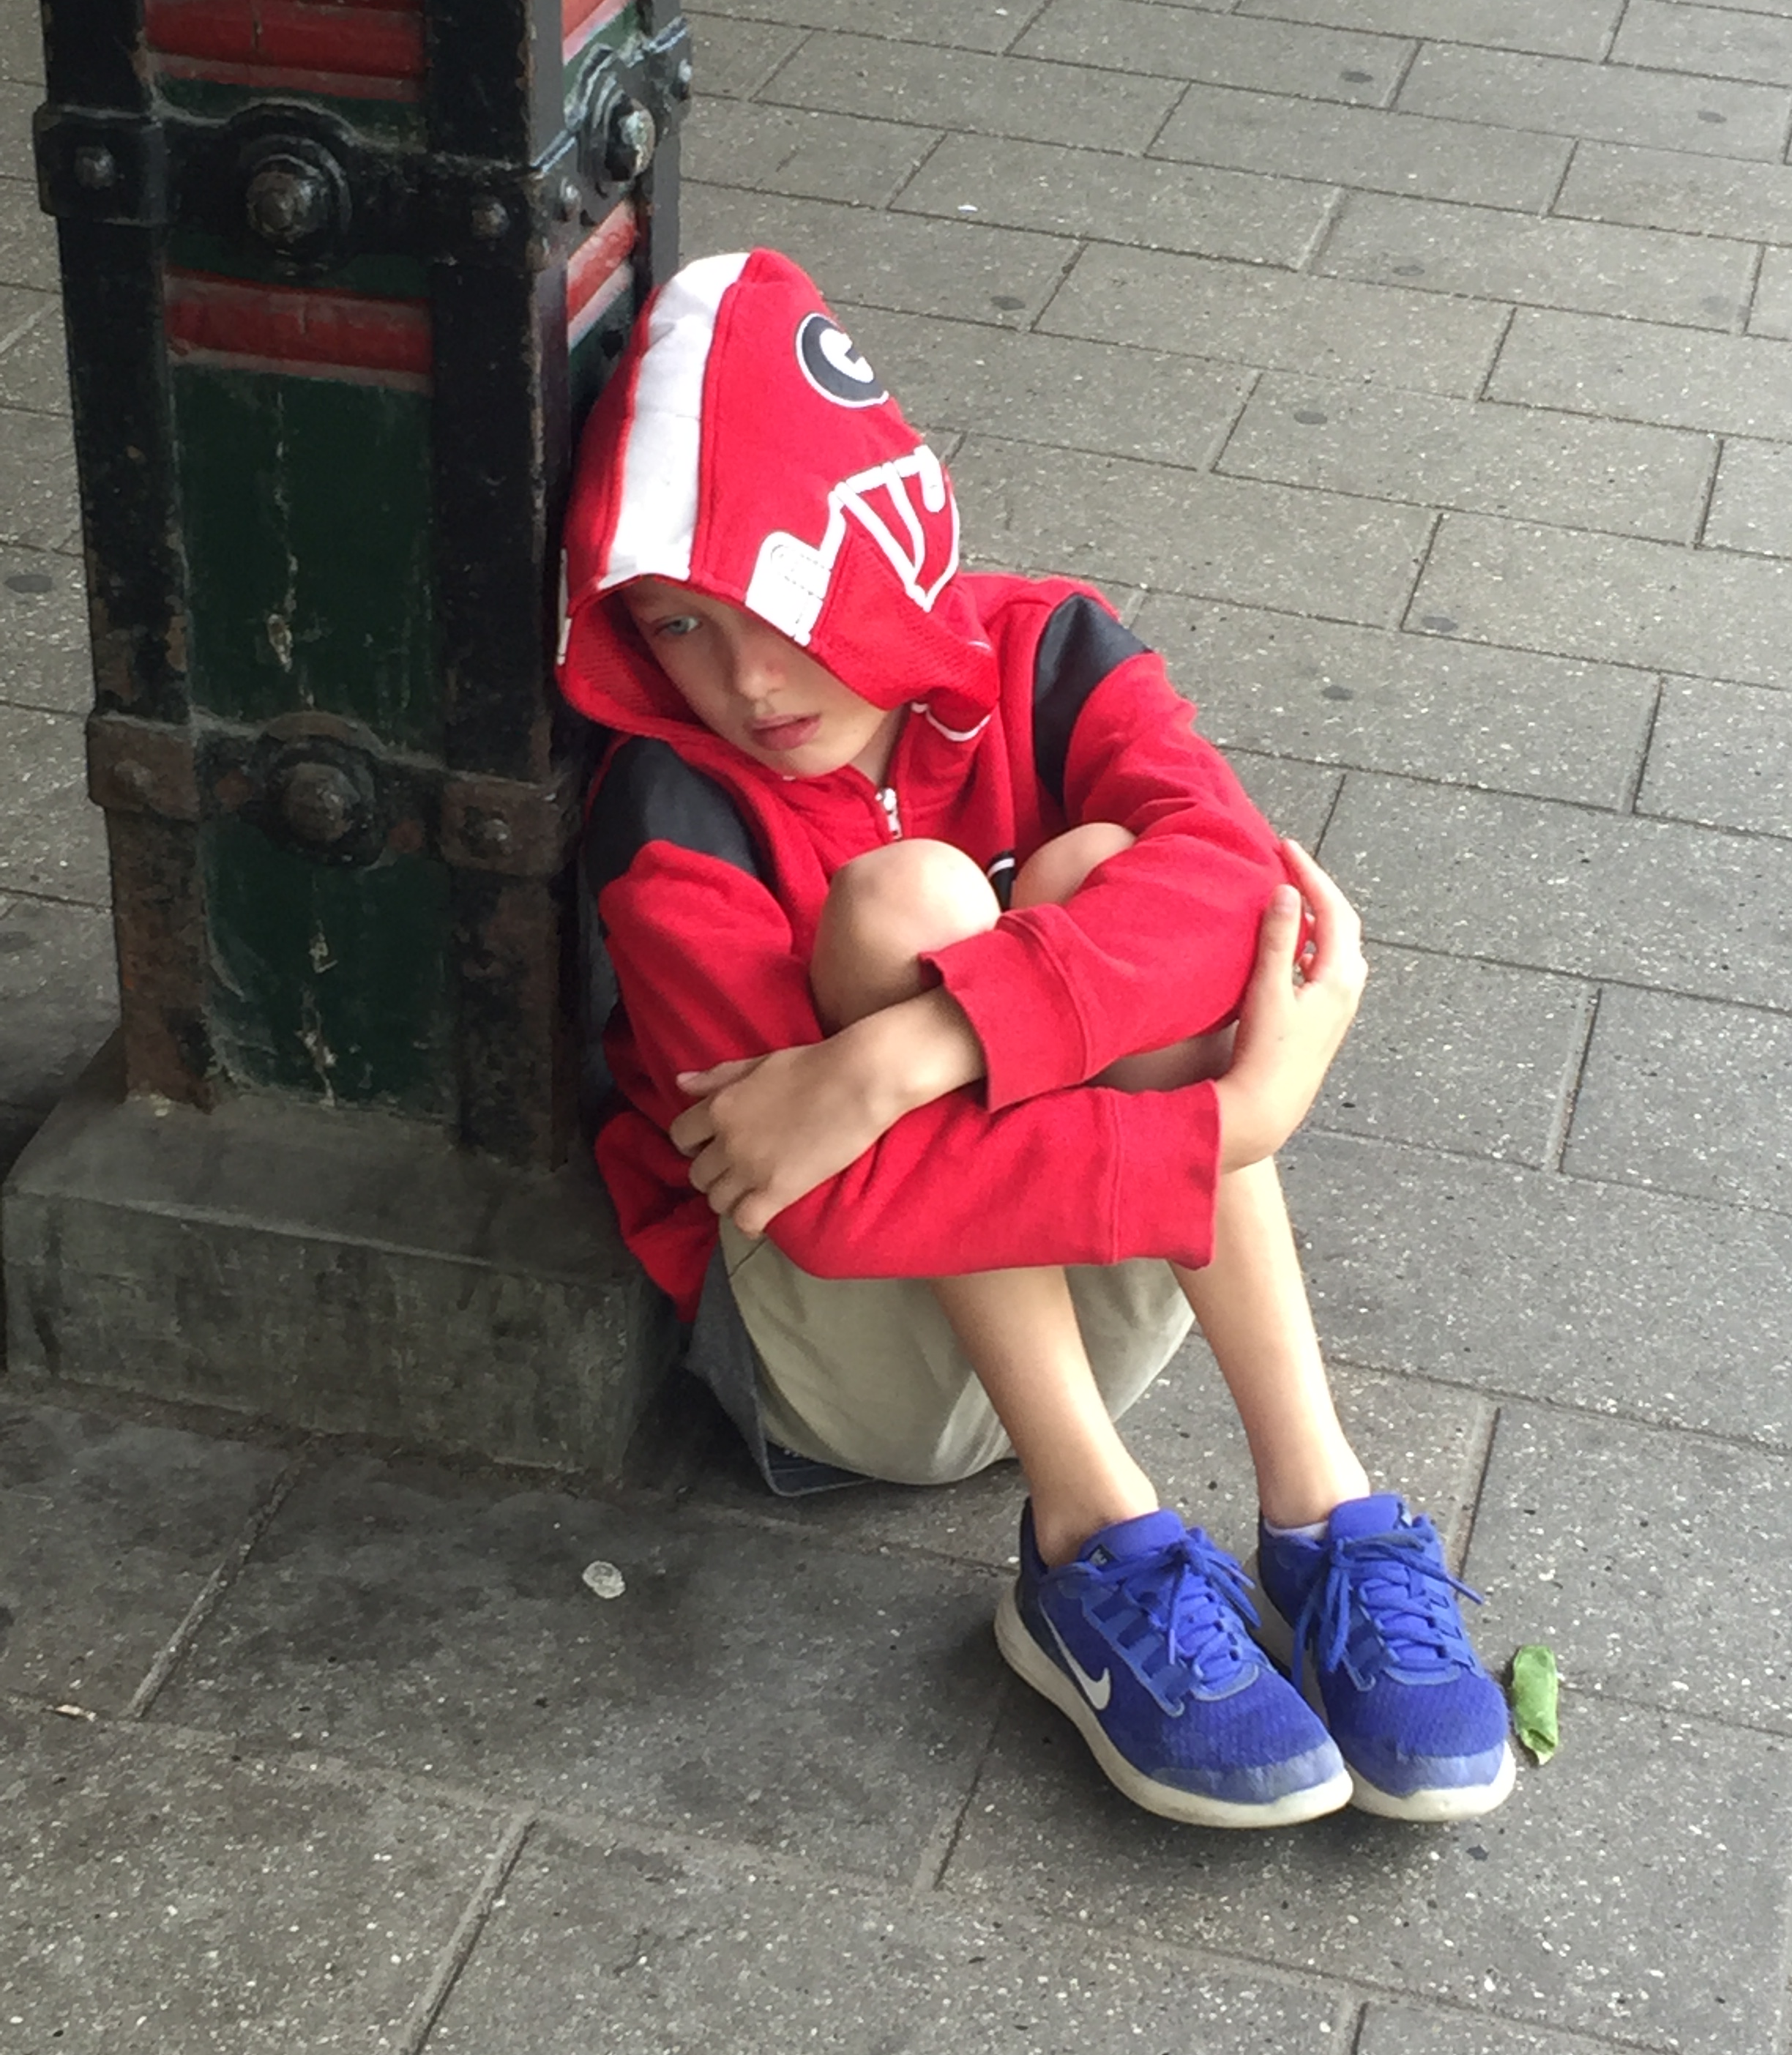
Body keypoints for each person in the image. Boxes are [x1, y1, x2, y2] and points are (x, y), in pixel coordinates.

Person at [558, 247, 1515, 1831]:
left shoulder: (1047, 649)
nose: (745, 681)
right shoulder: (671, 808)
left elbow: (1237, 888)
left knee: (1099, 873)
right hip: (840, 1362)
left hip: (1091, 1287)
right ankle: (1088, 1543)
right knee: (914, 900)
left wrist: (907, 1052)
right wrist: (1237, 1121)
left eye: (782, 594)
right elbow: (829, 1207)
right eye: (674, 625)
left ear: (877, 538)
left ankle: (1323, 1514)